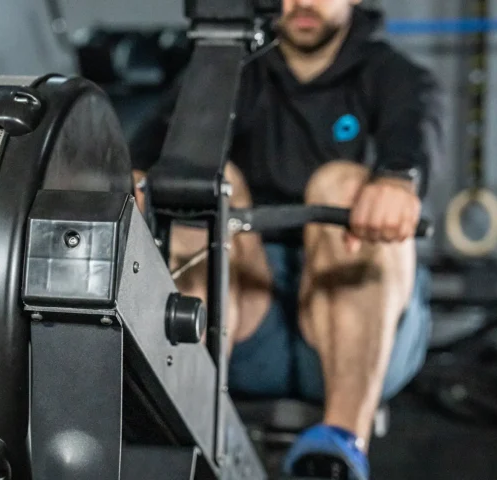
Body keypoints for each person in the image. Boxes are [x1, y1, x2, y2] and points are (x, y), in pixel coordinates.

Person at [130, 1, 444, 479]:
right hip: (248, 321)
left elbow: (412, 144)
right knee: (205, 180)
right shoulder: (228, 70)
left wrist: (396, 184)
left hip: (359, 336)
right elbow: (141, 163)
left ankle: (338, 448)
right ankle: (189, 431)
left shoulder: (394, 76)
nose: (301, 3)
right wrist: (133, 183)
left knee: (339, 185)